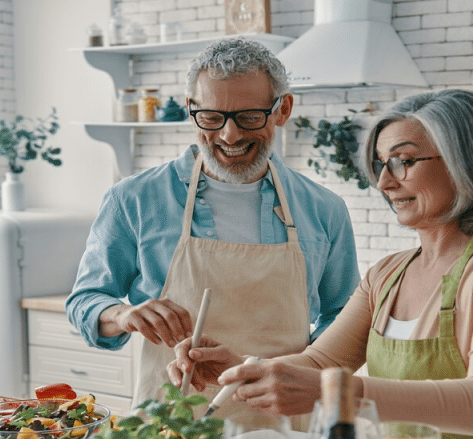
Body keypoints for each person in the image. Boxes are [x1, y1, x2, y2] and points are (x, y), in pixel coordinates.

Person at [170, 89, 473, 439]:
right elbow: (319, 363)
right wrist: (242, 369)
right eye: (381, 165)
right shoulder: (387, 275)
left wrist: (334, 392)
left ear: (470, 163)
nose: (385, 182)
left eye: (404, 161)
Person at [66, 37, 360, 411]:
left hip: (285, 425)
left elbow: (345, 324)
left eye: (250, 117)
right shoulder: (133, 199)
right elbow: (85, 302)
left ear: (282, 109)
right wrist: (123, 315)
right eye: (211, 117)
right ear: (190, 109)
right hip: (170, 429)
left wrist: (302, 375)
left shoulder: (324, 209)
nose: (229, 135)